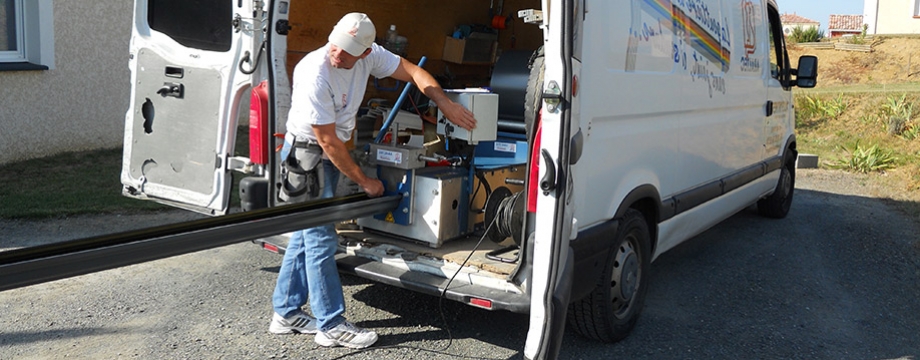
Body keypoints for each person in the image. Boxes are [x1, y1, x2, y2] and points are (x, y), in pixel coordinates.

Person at [268, 12, 477, 349]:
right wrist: (365, 181)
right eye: (334, 46)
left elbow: (414, 71)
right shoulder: (313, 70)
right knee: (321, 239)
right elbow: (328, 143)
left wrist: (444, 104)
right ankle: (331, 324)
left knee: (306, 237)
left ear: (366, 53)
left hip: (327, 154)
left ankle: (286, 312)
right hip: (307, 158)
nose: (336, 54)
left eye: (345, 52)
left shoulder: (372, 56)